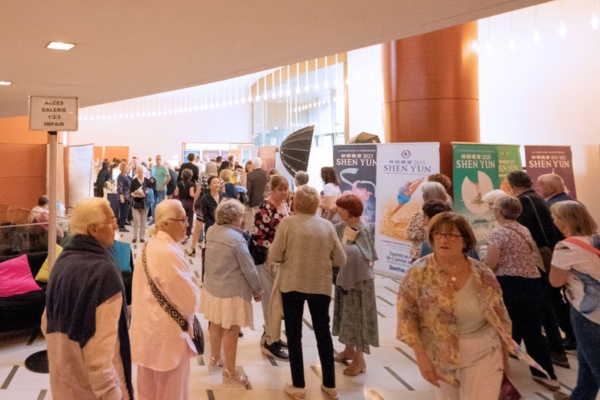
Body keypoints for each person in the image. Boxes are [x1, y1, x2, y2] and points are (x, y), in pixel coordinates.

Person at [397, 212, 515, 400]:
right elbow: (406, 318)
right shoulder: (418, 272)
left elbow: (500, 316)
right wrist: (421, 357)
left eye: (451, 235)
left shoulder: (481, 273)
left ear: (465, 240)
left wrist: (505, 357)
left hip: (484, 350)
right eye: (438, 234)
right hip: (441, 353)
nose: (443, 240)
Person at [41, 198, 133, 400]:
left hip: (65, 383)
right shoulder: (103, 273)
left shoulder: (62, 262)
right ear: (93, 229)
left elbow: (46, 323)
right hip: (92, 390)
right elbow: (100, 357)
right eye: (111, 220)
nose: (116, 226)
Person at [269, 185, 347, 400]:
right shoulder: (327, 226)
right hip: (320, 285)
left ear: (295, 203)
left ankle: (298, 385)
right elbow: (340, 259)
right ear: (316, 205)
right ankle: (330, 384)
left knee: (294, 335)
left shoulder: (288, 224)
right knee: (323, 333)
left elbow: (275, 255)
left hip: (292, 284)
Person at [484, 197, 560, 390]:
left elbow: (491, 263)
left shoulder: (499, 233)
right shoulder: (523, 229)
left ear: (500, 212)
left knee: (503, 325)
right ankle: (546, 374)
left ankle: (497, 369)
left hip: (510, 283)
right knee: (532, 329)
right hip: (532, 282)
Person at [129, 200, 201, 400]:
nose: (187, 224)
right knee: (171, 393)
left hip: (148, 336)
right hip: (167, 340)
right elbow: (189, 300)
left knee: (147, 393)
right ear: (166, 223)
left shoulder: (150, 246)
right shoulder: (167, 252)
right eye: (182, 220)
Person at [507, 170, 571, 367]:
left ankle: (555, 350)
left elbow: (528, 233)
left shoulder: (526, 201)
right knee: (546, 303)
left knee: (543, 305)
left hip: (539, 258)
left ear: (512, 186)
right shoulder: (536, 199)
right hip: (544, 255)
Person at [201, 200, 262, 387]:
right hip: (232, 291)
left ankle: (214, 358)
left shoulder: (211, 231)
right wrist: (257, 289)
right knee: (232, 329)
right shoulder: (236, 239)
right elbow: (248, 267)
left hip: (213, 287)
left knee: (216, 323)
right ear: (235, 218)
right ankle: (230, 370)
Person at [549, 201, 600, 400]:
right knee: (586, 362)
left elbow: (555, 281)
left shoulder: (565, 247)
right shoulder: (597, 239)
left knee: (595, 363)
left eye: (555, 217)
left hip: (586, 313)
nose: (553, 221)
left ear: (565, 221)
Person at [332, 194, 379, 376]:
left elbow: (367, 255)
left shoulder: (363, 229)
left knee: (358, 318)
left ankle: (360, 360)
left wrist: (344, 250)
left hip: (359, 283)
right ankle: (348, 349)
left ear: (350, 210)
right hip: (345, 279)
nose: (338, 211)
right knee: (346, 314)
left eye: (341, 208)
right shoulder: (342, 226)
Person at [250, 175, 291, 361]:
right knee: (270, 301)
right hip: (268, 260)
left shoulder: (284, 205)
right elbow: (258, 237)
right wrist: (273, 253)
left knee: (277, 302)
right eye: (280, 189)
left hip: (280, 260)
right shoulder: (266, 207)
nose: (284, 192)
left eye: (286, 189)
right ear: (272, 190)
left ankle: (273, 335)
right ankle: (269, 341)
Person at [405, 181, 451, 261]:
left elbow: (409, 235)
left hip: (422, 256)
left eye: (424, 194)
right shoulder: (450, 214)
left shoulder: (420, 215)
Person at [185, 161, 218, 257]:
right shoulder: (218, 179)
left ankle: (192, 248)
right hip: (214, 206)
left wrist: (194, 204)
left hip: (203, 205)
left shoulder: (202, 178)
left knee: (197, 228)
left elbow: (198, 192)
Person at [246, 157, 268, 229]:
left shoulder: (250, 175)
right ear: (261, 164)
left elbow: (248, 190)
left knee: (253, 222)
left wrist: (247, 203)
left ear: (252, 165)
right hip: (265, 200)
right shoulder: (266, 173)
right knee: (264, 221)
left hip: (254, 201)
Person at [175, 168, 196, 244]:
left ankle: (181, 233)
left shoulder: (179, 183)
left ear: (182, 175)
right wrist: (197, 194)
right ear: (190, 176)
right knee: (190, 219)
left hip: (182, 203)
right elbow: (191, 194)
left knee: (182, 219)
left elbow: (176, 194)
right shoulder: (191, 184)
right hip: (190, 203)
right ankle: (187, 234)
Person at [130, 165, 151, 243]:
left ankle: (142, 237)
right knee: (136, 219)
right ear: (136, 172)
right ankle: (135, 237)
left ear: (144, 172)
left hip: (145, 204)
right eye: (139, 172)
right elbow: (131, 193)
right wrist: (137, 195)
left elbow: (150, 191)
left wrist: (145, 193)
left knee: (143, 221)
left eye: (142, 172)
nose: (141, 174)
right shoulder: (133, 181)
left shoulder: (147, 181)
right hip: (136, 203)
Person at [117, 162, 132, 232]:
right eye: (126, 168)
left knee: (126, 211)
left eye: (128, 168)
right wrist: (121, 196)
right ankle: (121, 227)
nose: (127, 169)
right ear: (122, 168)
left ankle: (123, 223)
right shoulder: (121, 176)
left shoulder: (127, 176)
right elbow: (120, 187)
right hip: (123, 196)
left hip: (128, 196)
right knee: (123, 211)